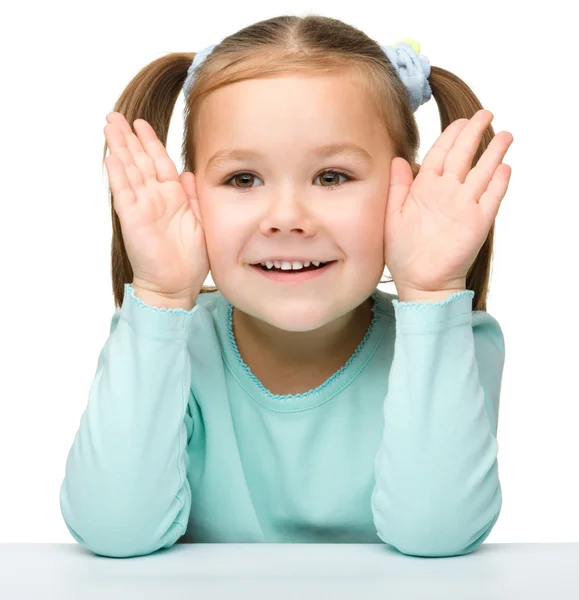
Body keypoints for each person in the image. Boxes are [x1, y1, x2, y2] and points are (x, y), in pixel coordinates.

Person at [59, 14, 514, 559]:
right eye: (243, 179)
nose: (286, 217)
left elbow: (436, 533)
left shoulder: (457, 340)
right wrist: (158, 295)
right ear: (191, 195)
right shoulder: (164, 344)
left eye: (332, 176)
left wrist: (433, 290)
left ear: (407, 189)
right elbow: (115, 530)